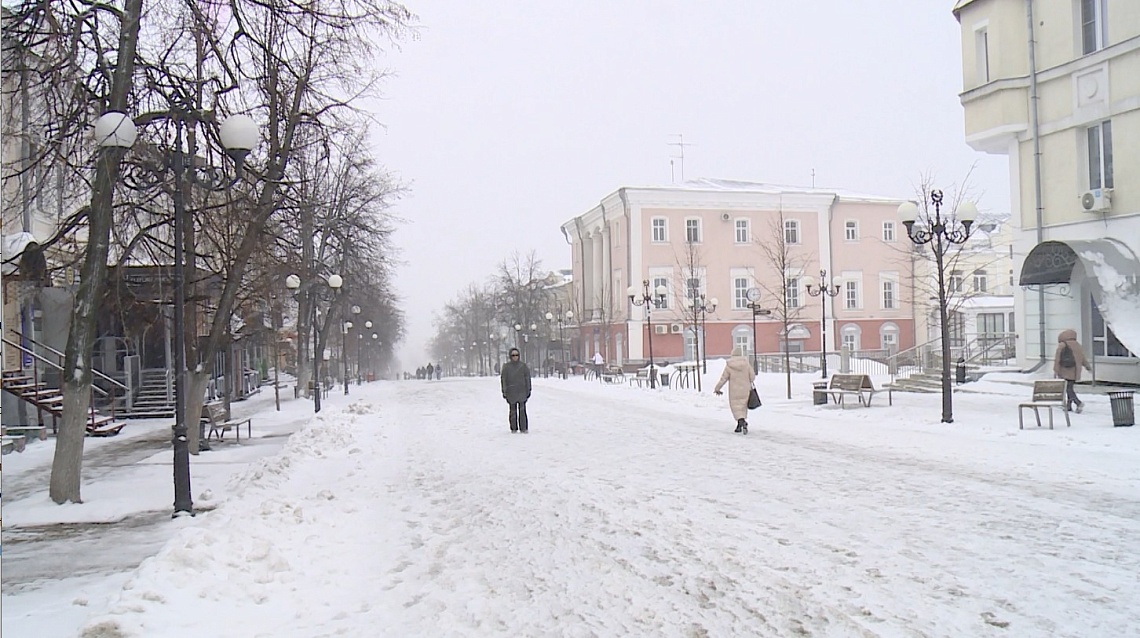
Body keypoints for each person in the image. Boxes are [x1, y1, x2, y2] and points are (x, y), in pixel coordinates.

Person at [713, 345, 757, 434]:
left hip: (734, 391)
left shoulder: (729, 365)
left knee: (736, 407)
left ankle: (741, 422)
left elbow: (723, 379)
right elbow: (752, 377)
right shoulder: (746, 364)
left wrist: (717, 388)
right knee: (743, 406)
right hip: (745, 389)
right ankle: (740, 424)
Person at [1053, 328, 1092, 413]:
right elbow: (1083, 358)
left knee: (1068, 389)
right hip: (1075, 371)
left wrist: (1056, 370)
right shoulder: (1078, 345)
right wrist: (1088, 367)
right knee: (1069, 387)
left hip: (1065, 370)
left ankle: (1078, 402)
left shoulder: (1062, 345)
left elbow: (1057, 359)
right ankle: (1069, 406)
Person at [500, 347, 532, 433]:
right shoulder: (506, 367)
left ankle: (523, 427)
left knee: (522, 410)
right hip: (511, 392)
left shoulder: (523, 366)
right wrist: (504, 391)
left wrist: (528, 390)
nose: (515, 357)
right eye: (513, 355)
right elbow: (504, 379)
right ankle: (513, 427)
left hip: (521, 391)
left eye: (516, 355)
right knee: (512, 411)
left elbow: (527, 378)